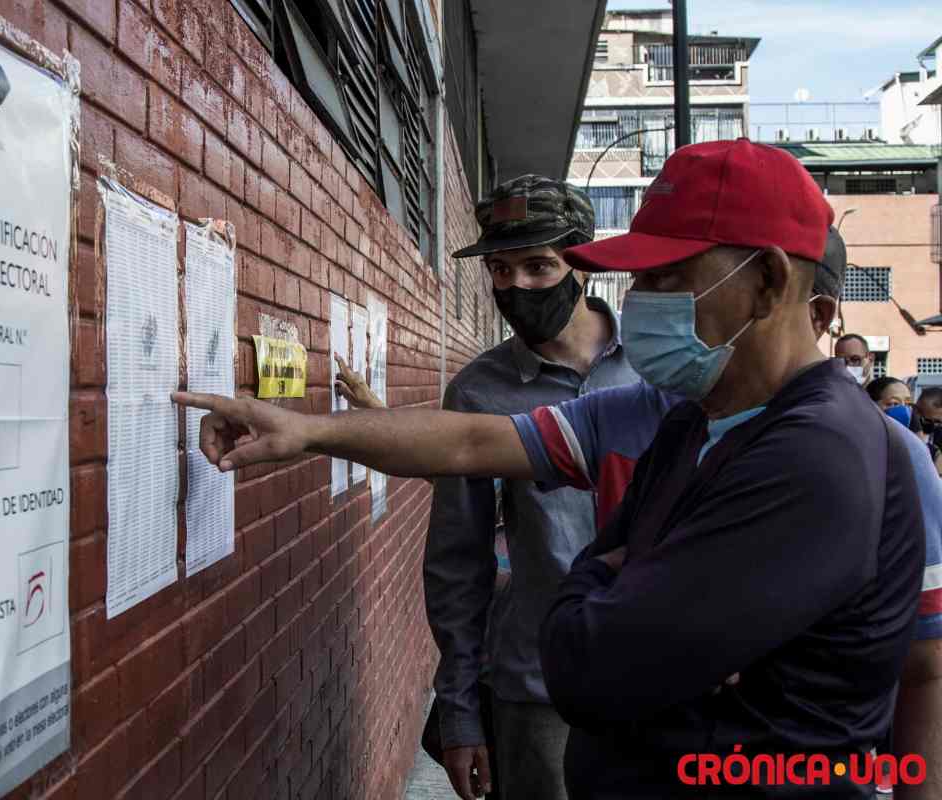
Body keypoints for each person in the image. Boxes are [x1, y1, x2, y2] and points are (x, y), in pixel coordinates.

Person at [173, 140, 925, 797]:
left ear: (769, 283)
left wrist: (598, 588)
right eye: (501, 270)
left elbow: (598, 663)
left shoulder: (815, 454)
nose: (644, 300)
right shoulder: (685, 418)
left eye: (668, 277)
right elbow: (470, 447)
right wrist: (307, 430)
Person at [434, 175, 637, 800]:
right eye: (500, 269)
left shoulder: (660, 368)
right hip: (540, 688)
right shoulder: (478, 392)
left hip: (662, 676)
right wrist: (460, 709)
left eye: (538, 266)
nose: (516, 286)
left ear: (582, 262)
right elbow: (457, 561)